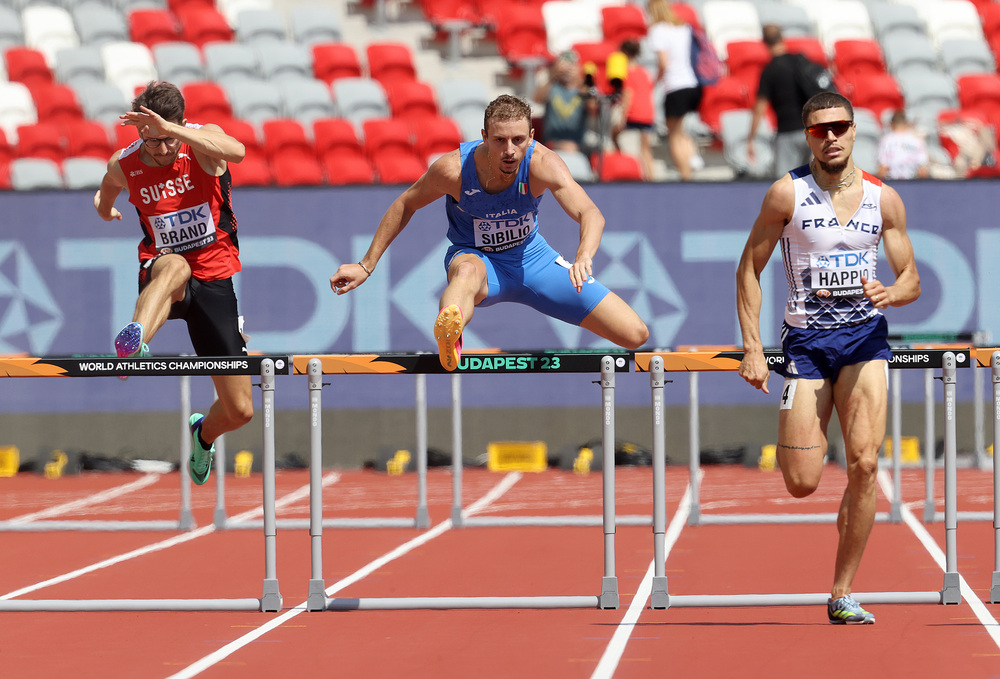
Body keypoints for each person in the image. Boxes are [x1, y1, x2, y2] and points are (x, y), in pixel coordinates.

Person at [736, 91, 921, 624]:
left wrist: (892, 292)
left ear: (855, 129)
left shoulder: (883, 199)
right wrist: (753, 347)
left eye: (839, 127)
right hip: (807, 346)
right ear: (808, 136)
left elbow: (911, 279)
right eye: (820, 130)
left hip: (865, 341)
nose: (831, 137)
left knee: (865, 464)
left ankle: (842, 592)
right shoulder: (786, 194)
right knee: (801, 482)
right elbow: (748, 269)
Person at [330, 94, 649, 371]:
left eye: (518, 140)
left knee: (635, 334)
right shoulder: (453, 170)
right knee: (466, 272)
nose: (510, 150)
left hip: (532, 261)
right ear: (484, 136)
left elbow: (590, 213)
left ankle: (453, 323)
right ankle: (450, 333)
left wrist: (584, 256)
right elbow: (405, 204)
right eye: (499, 140)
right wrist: (366, 265)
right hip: (477, 259)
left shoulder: (543, 163)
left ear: (532, 136)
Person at [93, 80, 252, 486]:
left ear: (179, 125)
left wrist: (172, 130)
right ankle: (134, 344)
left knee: (240, 410)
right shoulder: (125, 163)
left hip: (214, 275)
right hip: (163, 271)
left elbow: (238, 151)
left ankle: (204, 434)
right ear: (139, 131)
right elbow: (105, 192)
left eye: (168, 139)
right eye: (152, 141)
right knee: (176, 265)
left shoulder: (203, 143)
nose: (161, 150)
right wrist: (106, 210)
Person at [646, 0, 702, 181]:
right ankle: (692, 157)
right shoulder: (683, 27)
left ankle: (686, 175)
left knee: (674, 135)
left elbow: (664, 63)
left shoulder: (657, 30)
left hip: (675, 86)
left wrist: (655, 81)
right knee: (679, 129)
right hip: (692, 84)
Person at [748, 25, 813, 178]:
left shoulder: (770, 70)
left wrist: (751, 138)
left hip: (787, 131)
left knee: (784, 182)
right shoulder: (800, 61)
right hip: (810, 130)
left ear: (764, 42)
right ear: (782, 38)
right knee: (807, 181)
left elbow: (760, 107)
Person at [611, 39, 657, 180]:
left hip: (634, 114)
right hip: (647, 114)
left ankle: (625, 163)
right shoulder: (644, 72)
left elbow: (628, 96)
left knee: (615, 135)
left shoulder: (627, 72)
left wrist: (623, 117)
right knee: (645, 149)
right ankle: (651, 178)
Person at [531, 51, 594, 153]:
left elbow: (593, 108)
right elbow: (537, 99)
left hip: (577, 144)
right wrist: (554, 75)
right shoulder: (553, 86)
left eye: (571, 66)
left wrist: (579, 79)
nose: (567, 70)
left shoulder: (582, 89)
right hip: (552, 142)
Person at [876, 110, 929, 180]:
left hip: (892, 182)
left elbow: (882, 169)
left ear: (892, 124)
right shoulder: (917, 140)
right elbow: (922, 171)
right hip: (912, 182)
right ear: (907, 124)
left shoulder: (886, 140)